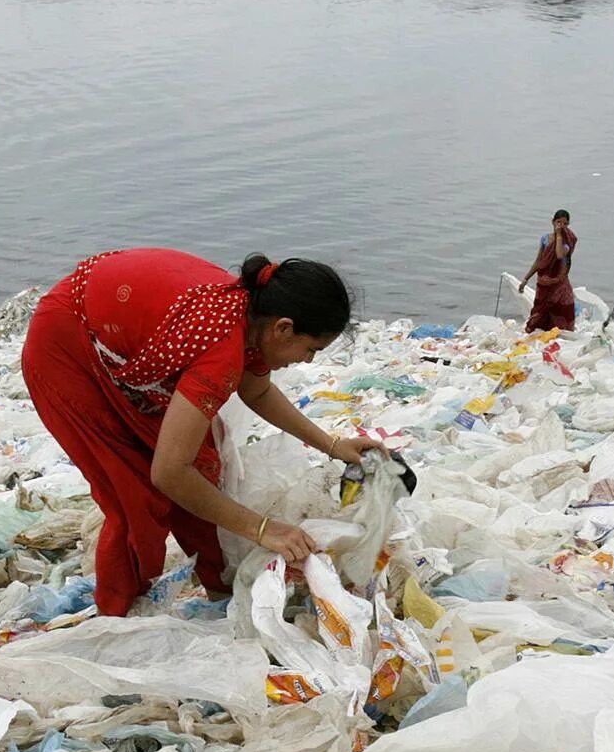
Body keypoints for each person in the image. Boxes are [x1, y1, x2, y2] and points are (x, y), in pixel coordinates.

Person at [21, 249, 385, 616]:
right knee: (133, 498)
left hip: (115, 332)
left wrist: (333, 445)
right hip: (67, 347)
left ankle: (221, 593)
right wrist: (264, 529)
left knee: (203, 468)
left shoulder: (255, 317)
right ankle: (116, 613)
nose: (308, 361)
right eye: (311, 349)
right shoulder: (221, 346)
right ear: (284, 328)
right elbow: (169, 472)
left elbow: (256, 391)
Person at [524, 210, 577, 332]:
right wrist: (526, 279)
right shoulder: (545, 239)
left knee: (560, 316)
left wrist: (559, 235)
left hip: (559, 285)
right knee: (539, 315)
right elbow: (539, 261)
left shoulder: (567, 242)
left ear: (567, 225)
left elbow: (559, 255)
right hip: (544, 285)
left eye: (564, 223)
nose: (561, 225)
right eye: (558, 222)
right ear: (552, 222)